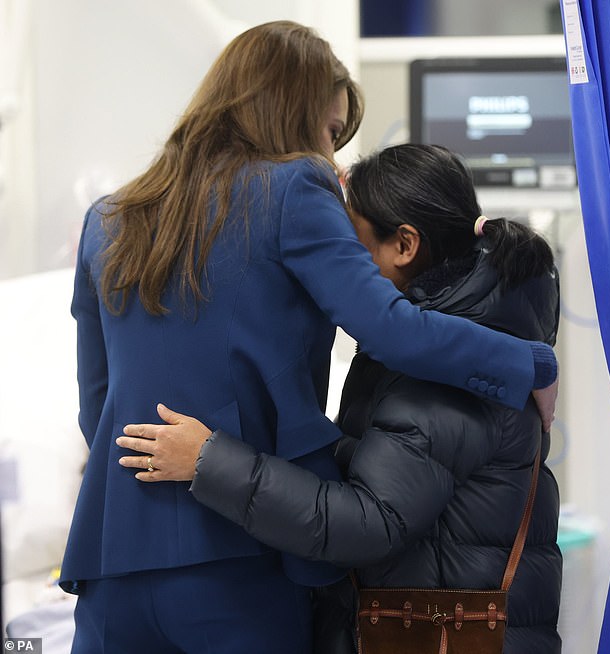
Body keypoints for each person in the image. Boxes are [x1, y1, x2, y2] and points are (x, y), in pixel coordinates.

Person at [62, 16, 558, 653]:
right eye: (329, 132)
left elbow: (95, 404)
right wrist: (532, 365)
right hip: (245, 553)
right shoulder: (294, 187)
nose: (332, 159)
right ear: (290, 112)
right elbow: (392, 330)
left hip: (115, 556)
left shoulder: (108, 218)